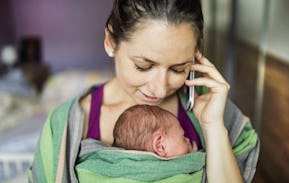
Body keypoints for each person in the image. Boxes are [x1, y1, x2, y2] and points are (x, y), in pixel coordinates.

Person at [29, 0, 259, 183]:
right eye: (143, 66)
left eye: (179, 68)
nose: (159, 89)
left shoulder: (211, 112)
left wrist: (214, 129)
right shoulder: (66, 126)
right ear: (111, 41)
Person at [113, 104, 198, 158]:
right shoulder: (177, 169)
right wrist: (193, 159)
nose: (187, 140)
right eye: (182, 137)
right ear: (160, 146)